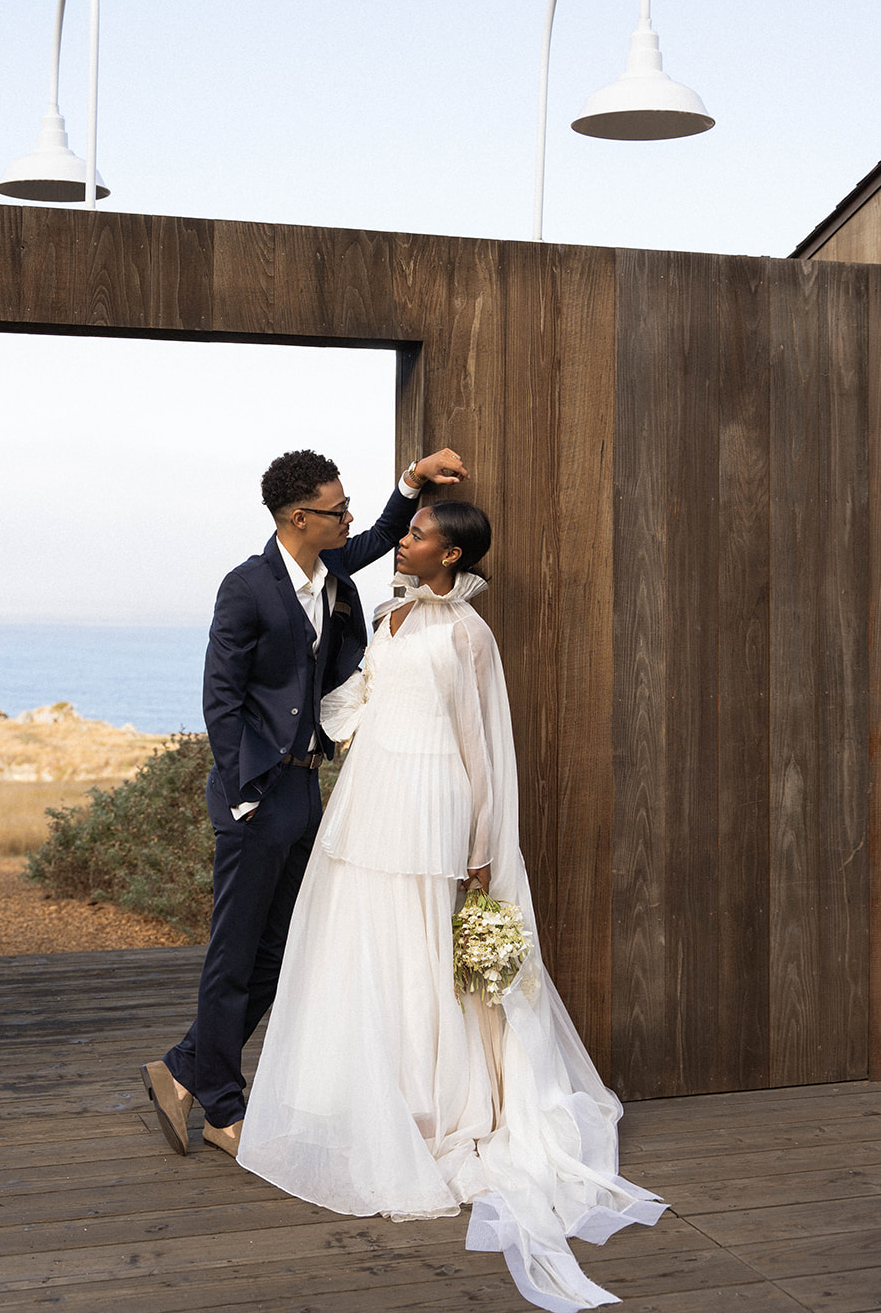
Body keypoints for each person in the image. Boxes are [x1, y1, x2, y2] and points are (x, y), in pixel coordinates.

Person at [236, 500, 665, 1312]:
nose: (402, 539)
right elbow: (356, 703)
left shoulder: (467, 634)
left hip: (432, 797)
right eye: (407, 529)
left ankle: (431, 1104)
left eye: (417, 532)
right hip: (370, 795)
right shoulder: (391, 610)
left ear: (451, 552)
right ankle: (367, 1091)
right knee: (359, 940)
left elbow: (482, 746)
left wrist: (479, 848)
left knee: (421, 951)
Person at [142, 446, 469, 1160]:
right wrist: (241, 795)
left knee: (282, 948)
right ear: (300, 516)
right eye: (337, 510)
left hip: (306, 787)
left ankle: (186, 1067)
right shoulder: (247, 587)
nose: (349, 519)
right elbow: (220, 700)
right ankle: (223, 1104)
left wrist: (412, 481)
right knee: (233, 953)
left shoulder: (331, 577)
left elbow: (380, 537)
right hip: (257, 797)